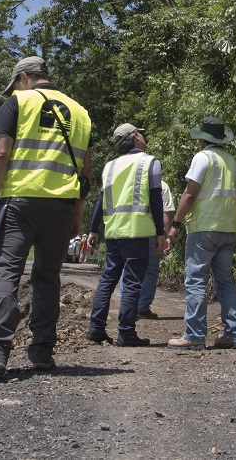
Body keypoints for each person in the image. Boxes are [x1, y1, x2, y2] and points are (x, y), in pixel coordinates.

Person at [0, 56, 92, 381]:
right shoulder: (80, 113)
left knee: (5, 273)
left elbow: (0, 154)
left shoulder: (18, 102)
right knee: (48, 277)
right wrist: (77, 213)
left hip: (20, 202)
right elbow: (85, 174)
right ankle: (42, 354)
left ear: (24, 77)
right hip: (61, 206)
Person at [85, 124, 168, 347]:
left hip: (113, 231)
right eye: (141, 133)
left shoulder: (109, 166)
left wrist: (94, 230)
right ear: (136, 136)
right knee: (132, 282)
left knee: (108, 279)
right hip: (137, 231)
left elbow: (101, 200)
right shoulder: (150, 162)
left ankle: (95, 329)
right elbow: (155, 199)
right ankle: (126, 333)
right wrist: (160, 232)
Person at [167, 117, 236, 350]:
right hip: (227, 228)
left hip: (203, 229)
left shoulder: (203, 158)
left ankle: (194, 335)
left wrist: (176, 224)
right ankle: (234, 334)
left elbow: (189, 194)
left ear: (203, 138)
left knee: (196, 281)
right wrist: (231, 222)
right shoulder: (234, 163)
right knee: (226, 281)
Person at [119, 179, 175, 318]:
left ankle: (127, 305)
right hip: (151, 232)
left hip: (128, 230)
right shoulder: (162, 186)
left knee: (128, 268)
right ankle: (142, 307)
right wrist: (167, 235)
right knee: (150, 270)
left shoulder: (130, 182)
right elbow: (166, 212)